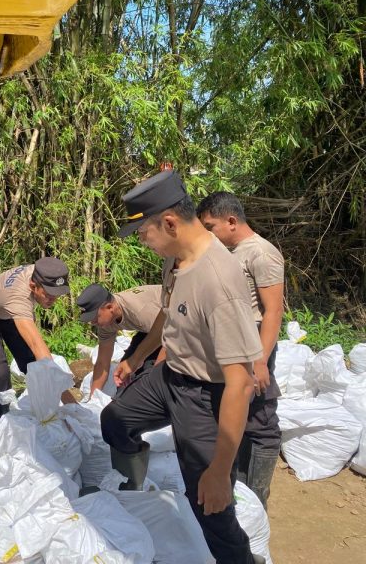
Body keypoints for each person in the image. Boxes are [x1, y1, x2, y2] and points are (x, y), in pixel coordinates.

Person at [100, 170, 265, 564]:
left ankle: (241, 558)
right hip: (169, 376)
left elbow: (240, 383)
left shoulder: (218, 282)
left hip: (205, 396)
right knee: (114, 420)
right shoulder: (176, 260)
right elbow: (167, 313)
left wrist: (220, 470)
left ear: (170, 223)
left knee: (209, 502)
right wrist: (135, 358)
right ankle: (136, 488)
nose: (142, 241)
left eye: (144, 233)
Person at [197, 191, 284, 508]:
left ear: (231, 221)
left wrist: (260, 360)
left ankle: (257, 496)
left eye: (211, 226)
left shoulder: (261, 253)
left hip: (254, 342)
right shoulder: (229, 252)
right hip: (233, 341)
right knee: (235, 412)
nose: (208, 234)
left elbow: (273, 311)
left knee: (260, 418)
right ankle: (240, 488)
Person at [0, 257, 73, 425]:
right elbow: (39, 349)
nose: (53, 300)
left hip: (5, 312)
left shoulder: (40, 271)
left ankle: (45, 407)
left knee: (30, 361)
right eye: (48, 295)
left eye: (57, 295)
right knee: (0, 370)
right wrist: (71, 403)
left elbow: (36, 358)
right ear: (33, 286)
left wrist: (69, 405)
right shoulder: (18, 298)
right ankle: (2, 423)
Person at [76, 283, 162, 397]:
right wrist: (94, 398)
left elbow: (172, 337)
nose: (92, 323)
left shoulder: (140, 311)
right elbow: (102, 362)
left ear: (110, 307)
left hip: (176, 327)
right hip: (150, 329)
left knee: (151, 375)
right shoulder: (105, 324)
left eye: (95, 318)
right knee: (123, 376)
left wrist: (140, 363)